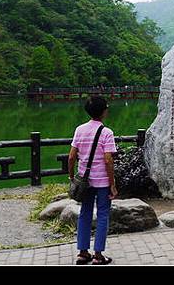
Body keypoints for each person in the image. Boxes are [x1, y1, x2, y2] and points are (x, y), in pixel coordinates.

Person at [68, 96, 118, 265]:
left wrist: (71, 177)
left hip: (85, 181)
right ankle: (98, 255)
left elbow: (71, 156)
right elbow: (108, 160)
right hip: (102, 182)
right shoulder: (107, 132)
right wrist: (112, 184)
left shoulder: (79, 130)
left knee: (85, 214)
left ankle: (83, 253)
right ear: (104, 111)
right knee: (103, 215)